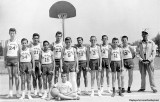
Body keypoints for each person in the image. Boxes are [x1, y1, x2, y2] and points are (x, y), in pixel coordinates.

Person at [4, 28, 20, 98]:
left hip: (15, 59)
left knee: (16, 76)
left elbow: (19, 52)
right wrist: (5, 61)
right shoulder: (7, 41)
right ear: (9, 33)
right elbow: (5, 51)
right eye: (11, 33)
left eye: (13, 33)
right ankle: (10, 93)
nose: (12, 34)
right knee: (10, 76)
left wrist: (19, 61)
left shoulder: (17, 41)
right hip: (8, 59)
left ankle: (17, 92)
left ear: (15, 33)